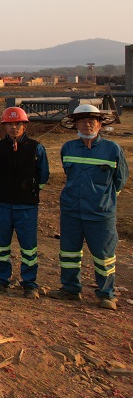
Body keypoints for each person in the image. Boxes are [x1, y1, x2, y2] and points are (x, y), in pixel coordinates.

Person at [49, 104, 128, 310]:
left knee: (104, 255)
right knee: (69, 253)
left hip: (100, 213)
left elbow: (120, 179)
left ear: (100, 124)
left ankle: (106, 293)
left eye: (92, 120)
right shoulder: (68, 148)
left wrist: (104, 199)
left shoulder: (112, 150)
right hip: (72, 211)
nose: (87, 124)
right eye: (82, 121)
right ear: (75, 124)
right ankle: (70, 289)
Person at [0, 107, 49, 299]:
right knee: (0, 245)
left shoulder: (36, 148)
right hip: (3, 204)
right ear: (4, 127)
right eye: (10, 124)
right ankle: (1, 279)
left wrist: (30, 191)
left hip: (26, 206)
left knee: (29, 247)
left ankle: (29, 283)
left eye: (18, 124)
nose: (14, 127)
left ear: (24, 125)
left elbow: (43, 175)